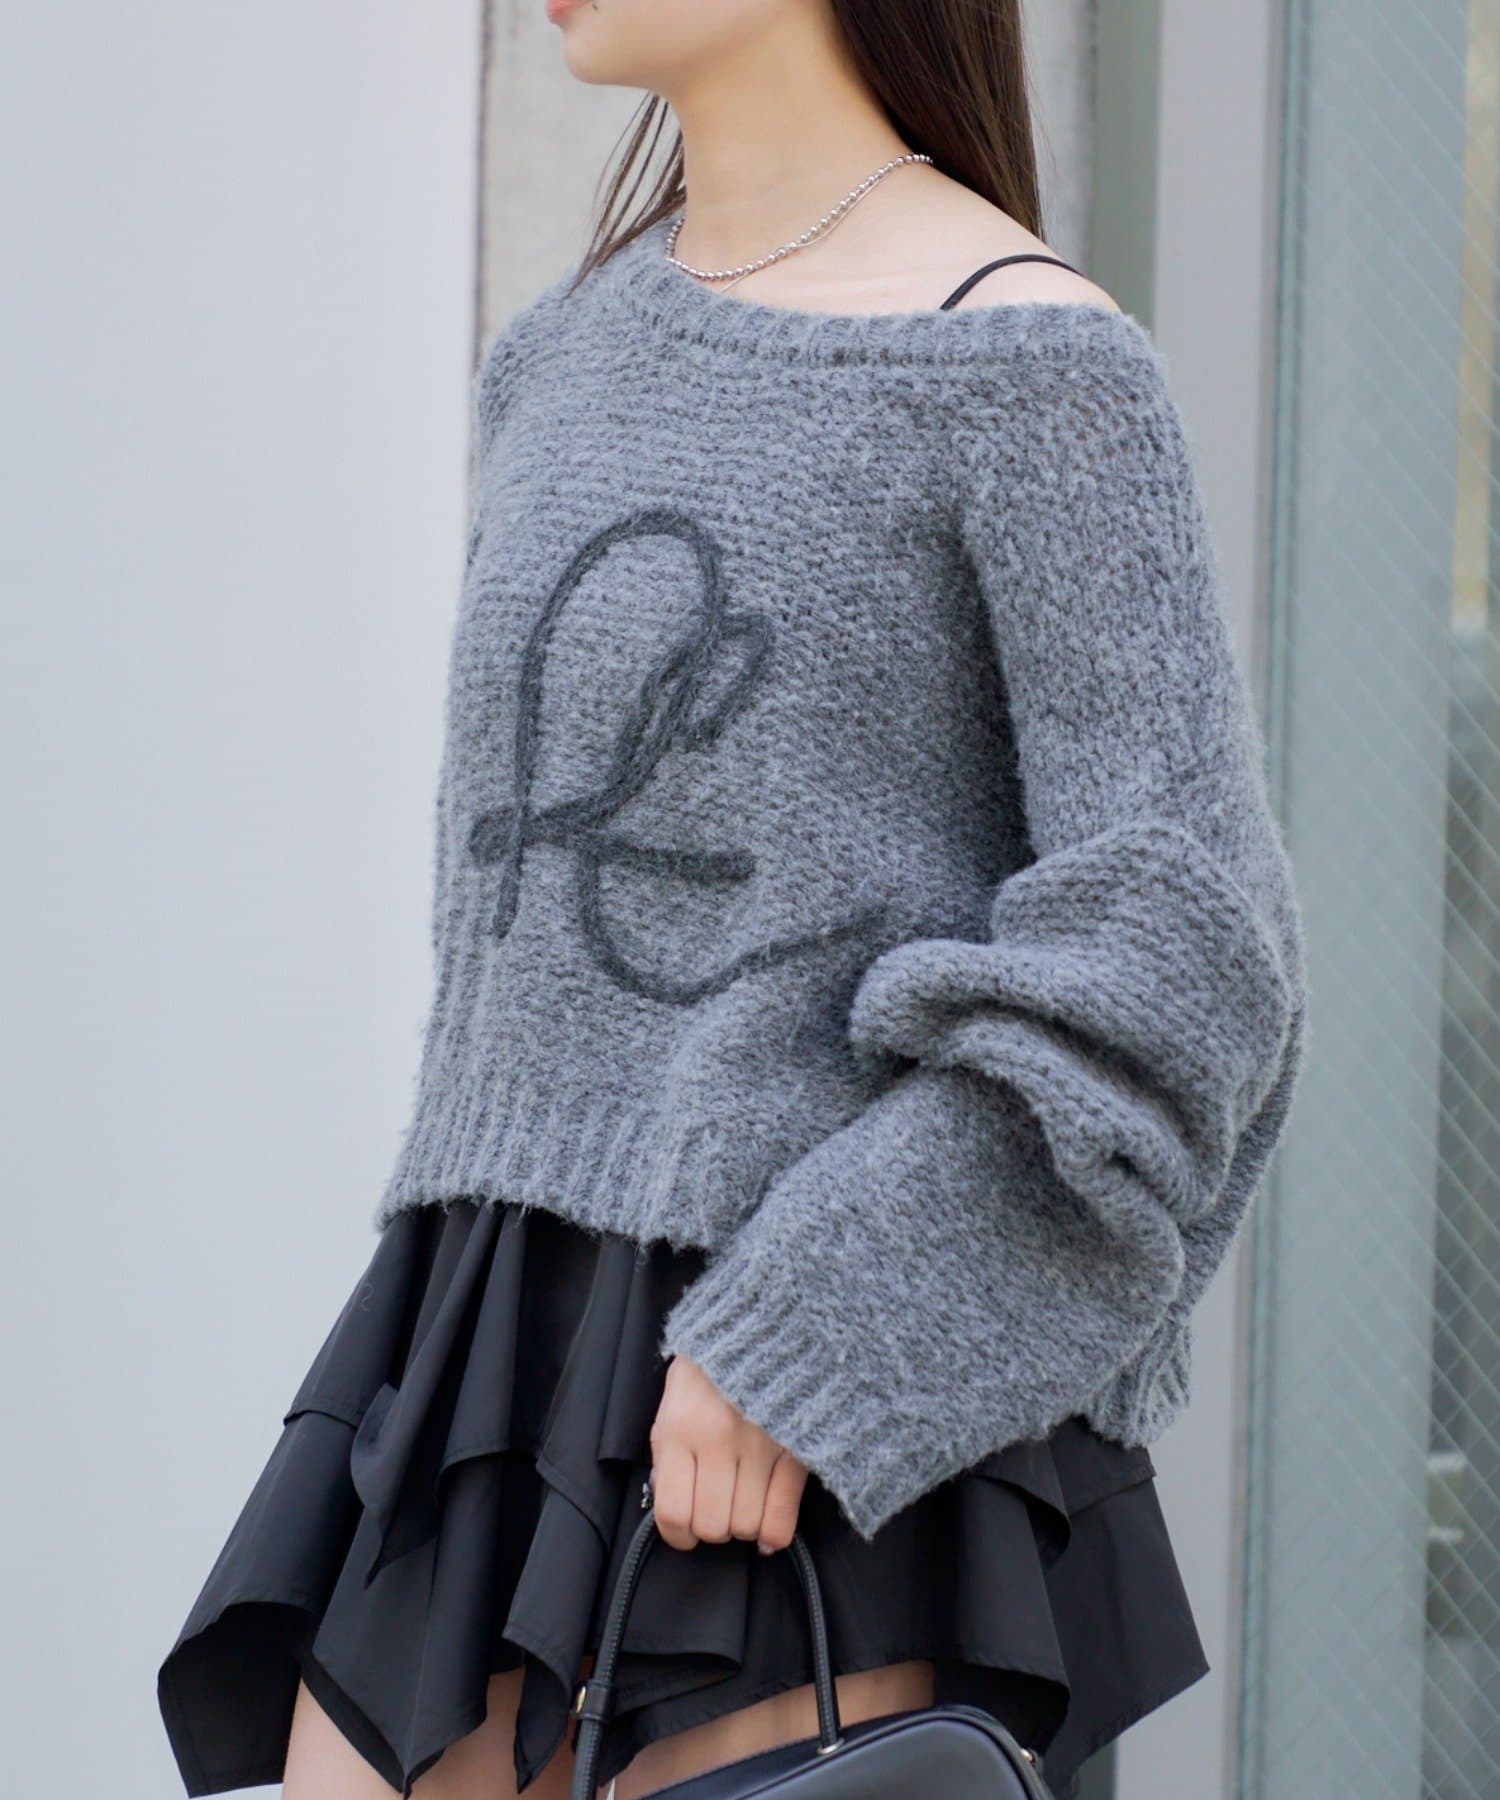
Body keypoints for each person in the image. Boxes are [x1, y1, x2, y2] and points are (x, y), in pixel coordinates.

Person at [157, 3, 1308, 1796]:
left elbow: (1185, 962)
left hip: (786, 1415)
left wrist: (823, 1330)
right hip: (490, 1347)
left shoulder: (1027, 365)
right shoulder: (560, 356)